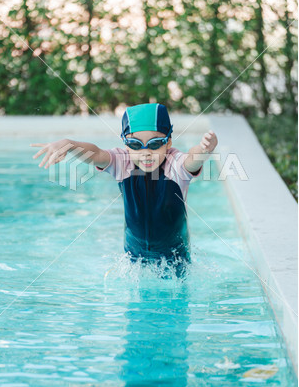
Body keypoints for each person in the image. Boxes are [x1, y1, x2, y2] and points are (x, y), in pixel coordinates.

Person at [31, 103, 218, 278]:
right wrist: (69, 144)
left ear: (168, 142)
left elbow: (192, 159)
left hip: (176, 259)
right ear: (125, 144)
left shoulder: (175, 165)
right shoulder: (122, 162)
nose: (145, 152)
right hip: (133, 257)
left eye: (155, 144)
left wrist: (203, 150)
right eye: (135, 145)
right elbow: (96, 153)